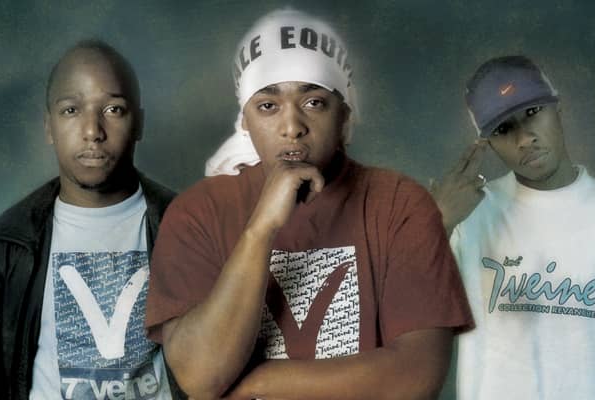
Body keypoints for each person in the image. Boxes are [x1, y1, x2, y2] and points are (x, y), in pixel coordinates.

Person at [144, 9, 473, 399]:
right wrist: (260, 229)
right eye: (268, 106)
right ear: (245, 119)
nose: (292, 127)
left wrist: (255, 383)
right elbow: (200, 376)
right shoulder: (198, 212)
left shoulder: (399, 204)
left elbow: (415, 377)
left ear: (343, 114)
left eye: (314, 102)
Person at [432, 55, 595, 399]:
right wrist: (438, 222)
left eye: (532, 111)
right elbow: (406, 322)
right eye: (503, 129)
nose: (524, 138)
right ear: (487, 143)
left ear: (559, 108)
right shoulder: (469, 219)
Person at [0, 40, 177, 400]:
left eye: (113, 109)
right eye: (71, 110)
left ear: (139, 123)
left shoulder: (188, 226)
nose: (93, 131)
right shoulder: (1, 248)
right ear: (49, 126)